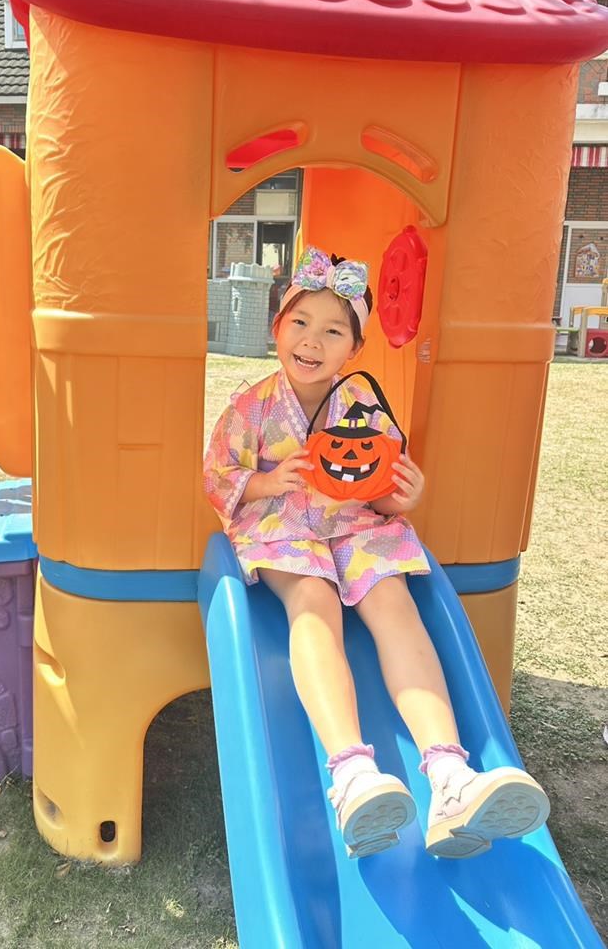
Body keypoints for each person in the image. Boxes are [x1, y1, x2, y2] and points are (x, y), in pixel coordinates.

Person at [203, 246, 550, 860]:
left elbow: (381, 484)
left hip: (357, 527)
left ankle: (450, 775)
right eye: (300, 322)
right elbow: (217, 476)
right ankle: (352, 774)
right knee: (313, 601)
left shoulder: (365, 409)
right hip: (284, 529)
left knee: (394, 603)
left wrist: (402, 498)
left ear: (354, 350)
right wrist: (266, 481)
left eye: (333, 331)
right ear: (277, 327)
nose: (312, 341)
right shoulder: (249, 407)